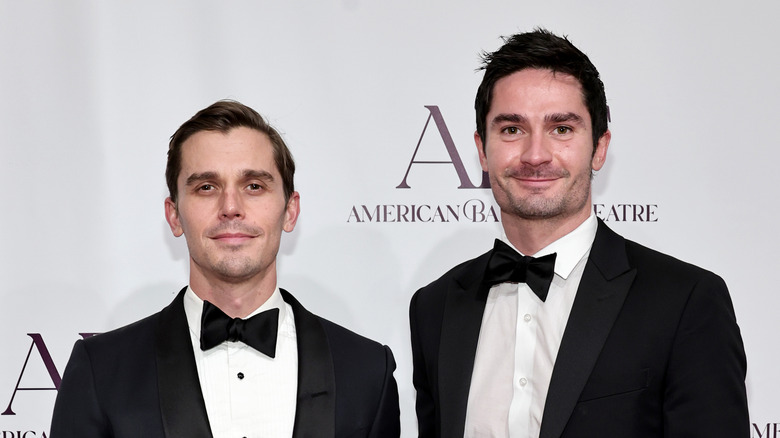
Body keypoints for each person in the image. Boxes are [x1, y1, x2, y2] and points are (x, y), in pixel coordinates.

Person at [409, 29, 748, 438]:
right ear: (482, 150)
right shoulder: (435, 308)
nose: (536, 155)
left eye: (562, 129)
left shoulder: (685, 303)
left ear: (599, 147)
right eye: (512, 129)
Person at [51, 100, 400, 437]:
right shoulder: (101, 371)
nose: (230, 207)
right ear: (174, 215)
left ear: (290, 211)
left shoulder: (367, 370)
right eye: (206, 187)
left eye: (254, 186)